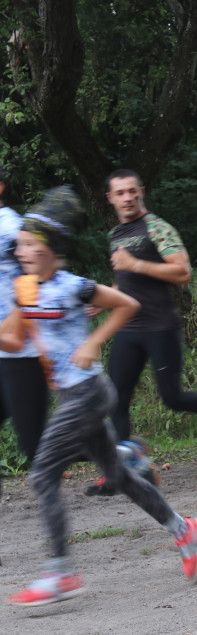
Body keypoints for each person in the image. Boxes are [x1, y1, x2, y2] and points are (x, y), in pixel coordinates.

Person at [3, 187, 197, 606]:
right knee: (118, 478)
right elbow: (11, 337)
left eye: (25, 244)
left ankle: (60, 573)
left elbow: (126, 304)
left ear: (46, 249)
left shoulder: (72, 287)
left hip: (90, 394)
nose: (17, 250)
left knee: (41, 475)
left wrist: (95, 342)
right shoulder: (25, 290)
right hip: (72, 396)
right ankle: (182, 528)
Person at [88, 169, 197, 497]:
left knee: (172, 399)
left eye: (133, 191)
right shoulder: (117, 234)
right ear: (110, 197)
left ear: (142, 191)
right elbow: (125, 281)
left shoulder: (157, 228)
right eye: (120, 193)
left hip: (161, 327)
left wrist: (137, 264)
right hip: (129, 328)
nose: (128, 197)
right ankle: (119, 471)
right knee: (115, 403)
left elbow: (182, 271)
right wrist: (104, 301)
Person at [0, 166, 48, 494]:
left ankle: (121, 453)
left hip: (22, 347)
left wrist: (23, 318)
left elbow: (38, 274)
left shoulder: (12, 227)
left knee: (35, 448)